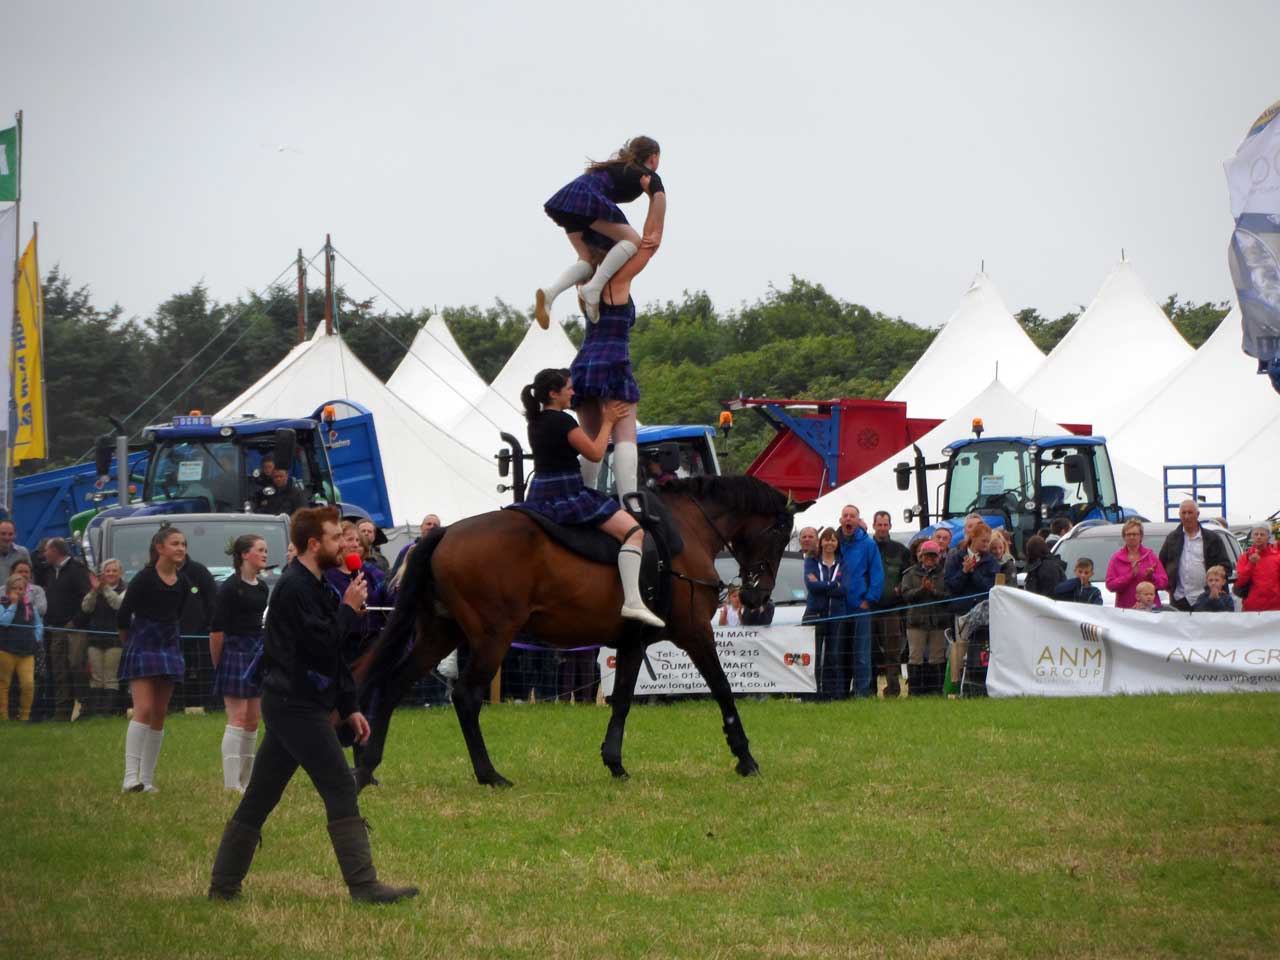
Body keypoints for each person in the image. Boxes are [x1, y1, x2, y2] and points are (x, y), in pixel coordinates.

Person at [207, 506, 418, 904]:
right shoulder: (292, 588)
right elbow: (318, 646)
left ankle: (222, 886)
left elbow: (334, 657)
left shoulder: (318, 585)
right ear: (313, 544)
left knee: (261, 794)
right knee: (340, 784)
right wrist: (348, 610)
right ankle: (364, 885)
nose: (344, 543)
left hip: (302, 703)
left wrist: (350, 706)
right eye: (336, 537)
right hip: (293, 705)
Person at [514, 369, 664, 627]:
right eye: (569, 388)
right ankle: (632, 601)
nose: (573, 392)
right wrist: (607, 420)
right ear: (553, 393)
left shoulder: (536, 421)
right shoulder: (563, 422)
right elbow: (595, 454)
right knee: (633, 532)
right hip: (568, 492)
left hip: (540, 492)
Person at [566, 182, 667, 507]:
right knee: (625, 434)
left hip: (584, 362)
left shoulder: (584, 276)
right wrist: (657, 197)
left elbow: (577, 236)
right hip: (613, 358)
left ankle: (586, 497)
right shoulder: (617, 281)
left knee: (593, 440)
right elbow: (652, 243)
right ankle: (630, 504)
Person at [536, 135, 665, 326]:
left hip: (573, 197)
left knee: (587, 259)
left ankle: (550, 293)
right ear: (653, 157)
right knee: (633, 240)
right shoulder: (645, 173)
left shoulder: (621, 167)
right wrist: (655, 233)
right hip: (588, 197)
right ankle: (594, 288)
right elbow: (660, 198)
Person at [118, 527, 190, 793]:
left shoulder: (182, 582)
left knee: (160, 712)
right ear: (159, 548)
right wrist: (132, 645)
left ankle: (146, 780)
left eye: (183, 544)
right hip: (143, 644)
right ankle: (130, 777)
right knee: (144, 709)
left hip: (169, 644)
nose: (180, 548)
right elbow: (123, 617)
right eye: (175, 543)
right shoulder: (144, 579)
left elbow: (178, 614)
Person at [210, 535, 270, 793]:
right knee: (237, 717)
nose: (265, 554)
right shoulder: (229, 587)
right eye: (260, 550)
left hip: (256, 650)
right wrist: (219, 663)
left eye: (266, 550)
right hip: (233, 651)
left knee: (253, 720)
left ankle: (246, 782)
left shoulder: (262, 588)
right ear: (244, 554)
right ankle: (230, 783)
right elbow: (216, 631)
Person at [40, 538, 93, 721]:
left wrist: (77, 621)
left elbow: (88, 597)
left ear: (55, 551)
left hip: (74, 628)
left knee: (76, 667)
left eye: (46, 551)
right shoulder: (48, 572)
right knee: (59, 670)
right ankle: (62, 711)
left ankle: (85, 708)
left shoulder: (76, 570)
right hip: (55, 628)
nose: (44, 554)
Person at [836, 505, 884, 698]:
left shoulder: (868, 544)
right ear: (841, 520)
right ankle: (838, 691)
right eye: (845, 516)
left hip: (860, 605)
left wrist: (869, 599)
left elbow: (876, 574)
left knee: (861, 653)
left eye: (852, 516)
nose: (848, 519)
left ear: (858, 520)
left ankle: (862, 692)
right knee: (838, 651)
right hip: (838, 606)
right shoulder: (833, 542)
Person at [324, 521, 387, 663]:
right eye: (350, 539)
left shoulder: (373, 574)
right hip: (340, 647)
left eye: (358, 540)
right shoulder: (326, 576)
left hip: (372, 644)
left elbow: (388, 598)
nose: (355, 544)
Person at [1158, 500, 1232, 611]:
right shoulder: (1172, 538)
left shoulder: (1213, 538)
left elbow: (1226, 567)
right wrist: (1168, 586)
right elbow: (1160, 565)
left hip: (1207, 599)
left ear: (1197, 514)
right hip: (1179, 600)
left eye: (1190, 512)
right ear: (1179, 515)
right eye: (1183, 513)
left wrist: (1215, 585)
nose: (1186, 516)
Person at [899, 539, 950, 696]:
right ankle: (915, 691)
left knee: (937, 656)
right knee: (915, 656)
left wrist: (933, 591)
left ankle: (936, 690)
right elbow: (906, 595)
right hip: (916, 621)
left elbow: (948, 596)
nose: (930, 559)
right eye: (927, 555)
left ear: (938, 557)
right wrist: (923, 590)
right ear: (921, 556)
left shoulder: (944, 574)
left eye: (933, 556)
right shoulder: (910, 574)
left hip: (938, 622)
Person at [77, 559, 126, 718]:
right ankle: (95, 712)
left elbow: (118, 605)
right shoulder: (95, 590)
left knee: (110, 677)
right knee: (96, 677)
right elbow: (86, 607)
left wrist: (104, 588)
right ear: (102, 573)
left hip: (115, 639)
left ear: (120, 573)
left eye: (114, 571)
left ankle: (107, 712)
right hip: (95, 638)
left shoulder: (125, 589)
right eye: (107, 571)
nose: (110, 573)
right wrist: (93, 591)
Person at [871, 511, 912, 697]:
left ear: (890, 526)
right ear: (874, 526)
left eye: (885, 524)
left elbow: (908, 574)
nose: (882, 528)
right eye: (879, 524)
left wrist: (900, 589)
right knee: (868, 650)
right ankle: (868, 689)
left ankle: (893, 688)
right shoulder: (867, 547)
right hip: (869, 608)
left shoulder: (901, 550)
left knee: (893, 651)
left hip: (892, 609)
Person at [804, 527, 847, 700]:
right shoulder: (811, 562)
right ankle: (812, 693)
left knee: (833, 656)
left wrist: (823, 584)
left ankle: (831, 694)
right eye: (826, 539)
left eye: (833, 540)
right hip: (815, 613)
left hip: (836, 614)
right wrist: (832, 585)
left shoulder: (843, 562)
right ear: (821, 542)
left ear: (837, 543)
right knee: (814, 655)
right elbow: (811, 586)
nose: (830, 543)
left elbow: (844, 589)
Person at [176, 549, 218, 710]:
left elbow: (212, 601)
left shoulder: (199, 571)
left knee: (205, 669)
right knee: (176, 671)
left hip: (201, 632)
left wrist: (209, 625)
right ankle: (175, 706)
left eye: (182, 544)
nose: (179, 549)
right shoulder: (158, 573)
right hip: (171, 633)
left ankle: (210, 705)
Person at [0, 573, 42, 721]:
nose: (19, 591)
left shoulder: (30, 606)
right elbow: (4, 622)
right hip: (6, 650)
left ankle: (24, 716)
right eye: (15, 588)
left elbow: (38, 624)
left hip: (27, 651)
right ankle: (3, 717)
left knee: (28, 684)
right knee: (4, 684)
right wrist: (12, 604)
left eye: (21, 588)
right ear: (8, 590)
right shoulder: (2, 604)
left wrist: (36, 638)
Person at [1106, 519, 1169, 609]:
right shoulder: (1116, 558)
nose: (1132, 537)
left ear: (1141, 537)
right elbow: (1110, 585)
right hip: (1125, 610)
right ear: (1124, 537)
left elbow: (1164, 583)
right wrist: (1130, 575)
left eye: (1135, 534)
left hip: (1150, 611)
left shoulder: (1150, 556)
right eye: (1128, 534)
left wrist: (1151, 577)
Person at [944, 521, 1000, 614]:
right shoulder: (956, 558)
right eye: (983, 541)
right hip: (961, 611)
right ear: (973, 537)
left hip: (984, 611)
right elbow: (951, 587)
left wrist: (973, 572)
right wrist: (964, 572)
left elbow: (991, 587)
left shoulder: (991, 561)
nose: (986, 544)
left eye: (988, 541)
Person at [1235, 525, 1280, 612]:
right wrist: (1250, 564)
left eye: (1262, 534)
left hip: (1275, 609)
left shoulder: (1277, 557)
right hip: (1252, 608)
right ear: (1252, 537)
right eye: (1256, 534)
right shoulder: (1245, 557)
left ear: (1268, 538)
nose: (1259, 537)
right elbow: (1240, 582)